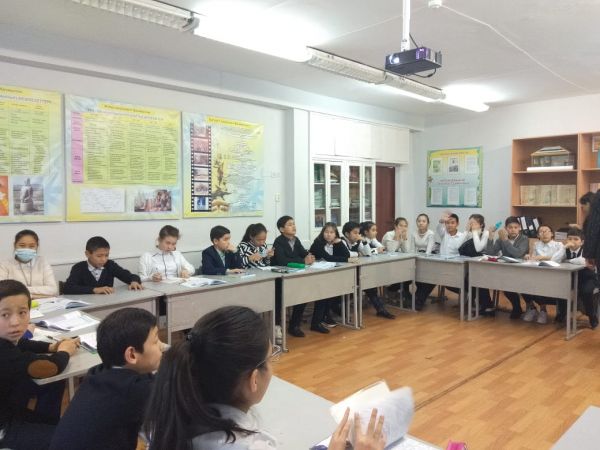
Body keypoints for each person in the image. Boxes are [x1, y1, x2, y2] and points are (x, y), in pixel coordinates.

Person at [143, 305, 386, 450]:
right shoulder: (247, 445)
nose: (272, 367)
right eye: (270, 359)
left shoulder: (169, 416)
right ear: (253, 380)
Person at [49, 308, 164, 450]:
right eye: (156, 341)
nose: (161, 346)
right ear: (131, 355)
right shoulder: (134, 391)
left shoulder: (97, 373)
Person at [0, 280, 79, 450]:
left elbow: (22, 343)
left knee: (53, 383)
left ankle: (48, 428)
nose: (15, 322)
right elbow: (48, 367)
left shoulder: (6, 338)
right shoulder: (4, 353)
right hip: (4, 428)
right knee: (73, 440)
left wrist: (51, 347)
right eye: (5, 315)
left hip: (9, 409)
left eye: (22, 312)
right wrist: (64, 351)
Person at [309, 222, 359, 332]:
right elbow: (328, 258)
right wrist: (347, 260)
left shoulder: (336, 243)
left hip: (329, 275)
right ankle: (316, 322)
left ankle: (325, 316)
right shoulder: (317, 243)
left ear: (335, 234)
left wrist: (340, 243)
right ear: (322, 233)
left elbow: (346, 254)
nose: (328, 234)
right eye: (326, 232)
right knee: (323, 294)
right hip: (314, 275)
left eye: (332, 232)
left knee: (331, 292)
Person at [271, 215, 315, 337]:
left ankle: (294, 325)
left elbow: (304, 253)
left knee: (302, 296)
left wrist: (310, 256)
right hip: (280, 277)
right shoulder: (279, 241)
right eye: (289, 225)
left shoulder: (296, 240)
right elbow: (282, 261)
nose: (293, 226)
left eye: (294, 224)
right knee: (279, 299)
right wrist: (302, 261)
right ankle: (277, 325)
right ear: (281, 229)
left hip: (295, 276)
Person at [342, 221, 394, 319]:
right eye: (355, 233)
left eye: (358, 233)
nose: (358, 235)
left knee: (369, 285)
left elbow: (367, 253)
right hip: (343, 275)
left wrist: (364, 241)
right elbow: (347, 254)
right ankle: (341, 310)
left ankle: (381, 310)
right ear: (347, 234)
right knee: (359, 287)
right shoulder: (342, 242)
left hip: (355, 272)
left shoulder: (357, 241)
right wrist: (358, 254)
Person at [64, 236, 143, 295]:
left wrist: (134, 281)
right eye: (99, 256)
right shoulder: (79, 267)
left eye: (106, 255)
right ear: (87, 254)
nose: (103, 259)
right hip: (86, 306)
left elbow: (131, 276)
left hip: (106, 303)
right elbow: (68, 288)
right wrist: (95, 290)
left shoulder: (110, 265)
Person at [486, 216, 530, 318]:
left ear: (519, 228)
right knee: (505, 286)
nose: (513, 230)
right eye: (510, 227)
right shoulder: (501, 239)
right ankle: (517, 307)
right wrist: (491, 237)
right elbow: (490, 253)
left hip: (521, 270)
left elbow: (517, 254)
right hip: (506, 270)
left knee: (521, 286)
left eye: (515, 227)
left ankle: (529, 307)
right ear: (506, 228)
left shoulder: (524, 239)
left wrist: (505, 240)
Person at [522, 225, 564, 324]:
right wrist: (528, 257)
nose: (544, 233)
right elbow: (533, 258)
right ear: (538, 235)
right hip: (537, 273)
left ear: (552, 234)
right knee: (522, 282)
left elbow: (559, 258)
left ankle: (543, 310)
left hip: (554, 275)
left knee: (539, 284)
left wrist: (543, 257)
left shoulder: (559, 245)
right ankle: (532, 308)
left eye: (547, 231)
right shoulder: (536, 244)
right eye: (541, 232)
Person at [0, 229, 58, 298]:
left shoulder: (42, 262)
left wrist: (24, 293)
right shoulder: (4, 265)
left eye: (31, 246)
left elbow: (53, 289)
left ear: (37, 247)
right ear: (15, 245)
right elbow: (2, 289)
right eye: (22, 245)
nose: (27, 249)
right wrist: (39, 295)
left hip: (43, 303)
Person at [560, 227, 598, 329]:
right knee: (560, 288)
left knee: (586, 292)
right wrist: (563, 248)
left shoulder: (586, 250)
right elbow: (555, 259)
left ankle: (592, 316)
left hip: (587, 278)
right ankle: (561, 313)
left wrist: (567, 261)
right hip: (570, 277)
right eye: (569, 239)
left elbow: (582, 261)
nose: (572, 241)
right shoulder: (565, 249)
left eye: (576, 239)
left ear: (582, 242)